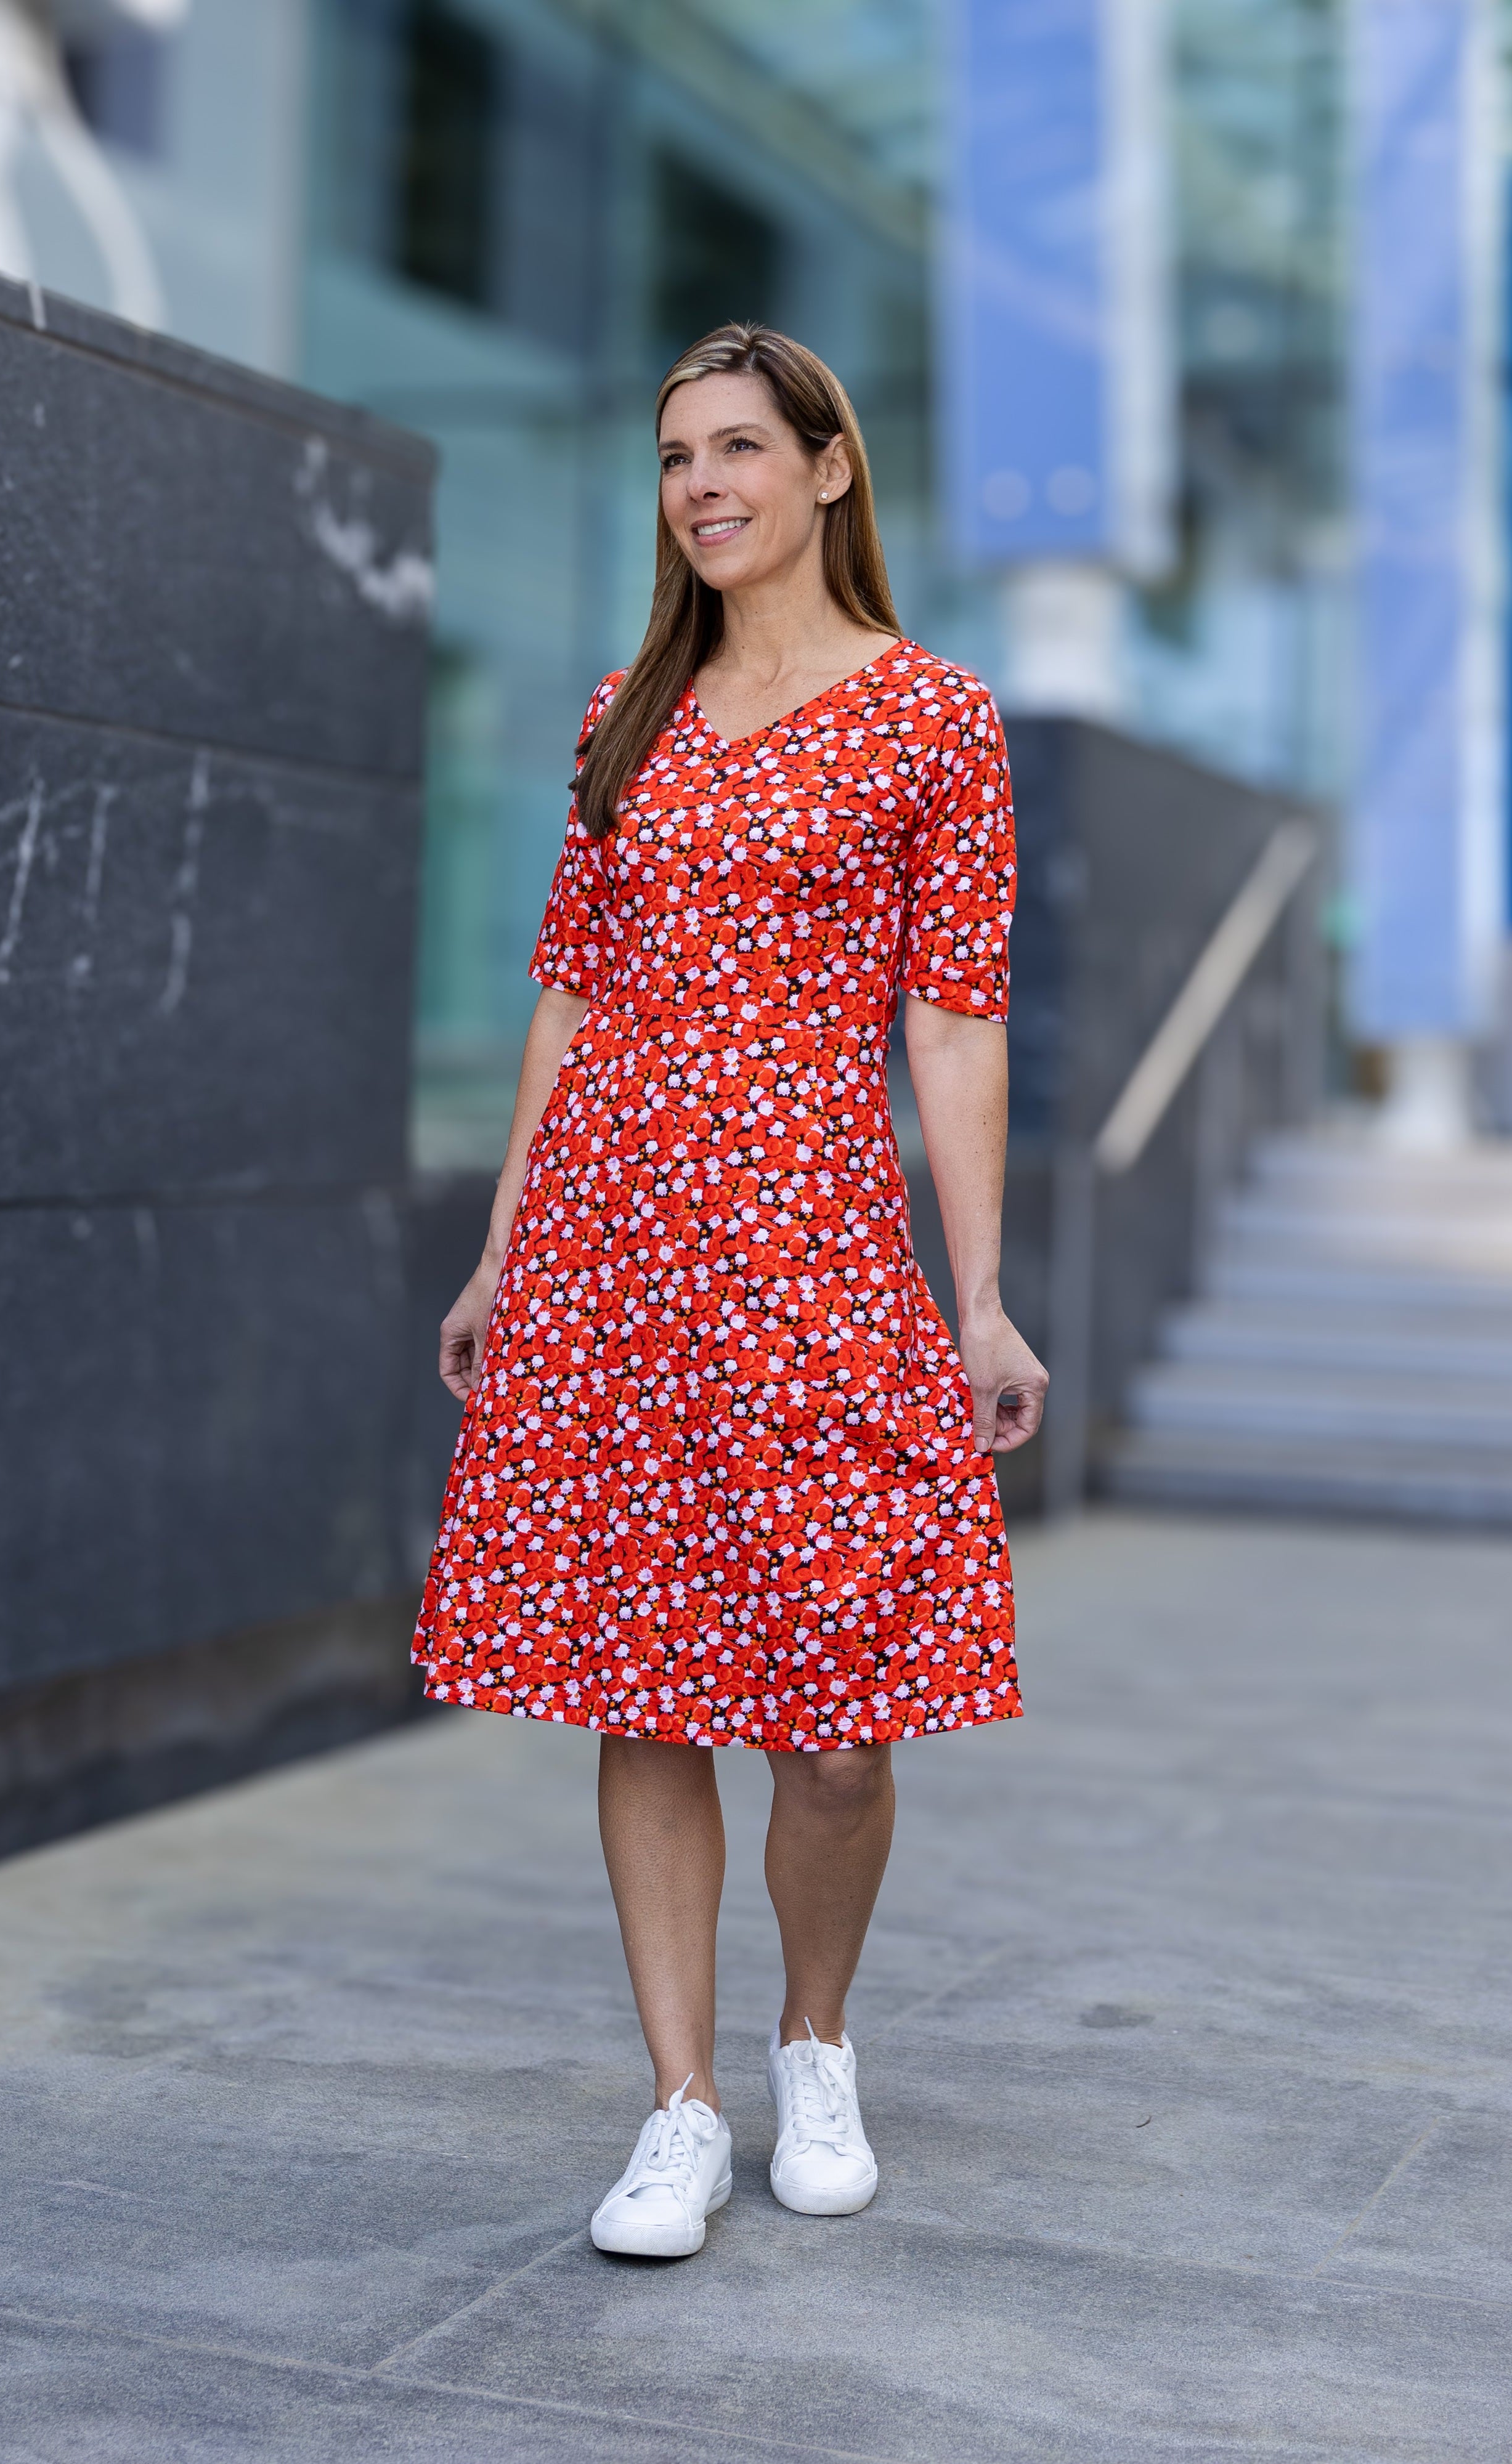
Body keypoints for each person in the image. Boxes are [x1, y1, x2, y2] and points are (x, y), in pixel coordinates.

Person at [415, 323, 1047, 2260]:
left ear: (831, 470)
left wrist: (985, 1296)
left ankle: (816, 2041)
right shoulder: (632, 707)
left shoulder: (937, 718)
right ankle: (680, 2102)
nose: (704, 484)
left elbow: (953, 1031)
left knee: (838, 1717)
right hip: (612, 1247)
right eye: (678, 456)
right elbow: (572, 989)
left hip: (818, 1260)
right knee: (643, 1675)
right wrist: (506, 1237)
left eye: (742, 449)